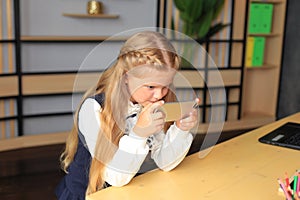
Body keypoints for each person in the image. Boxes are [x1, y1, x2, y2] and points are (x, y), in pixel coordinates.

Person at [55, 30, 199, 199]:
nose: (160, 95)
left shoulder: (148, 105)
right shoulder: (94, 109)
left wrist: (180, 130)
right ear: (126, 77)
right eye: (151, 87)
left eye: (166, 85)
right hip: (89, 194)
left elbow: (164, 162)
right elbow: (116, 177)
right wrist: (139, 133)